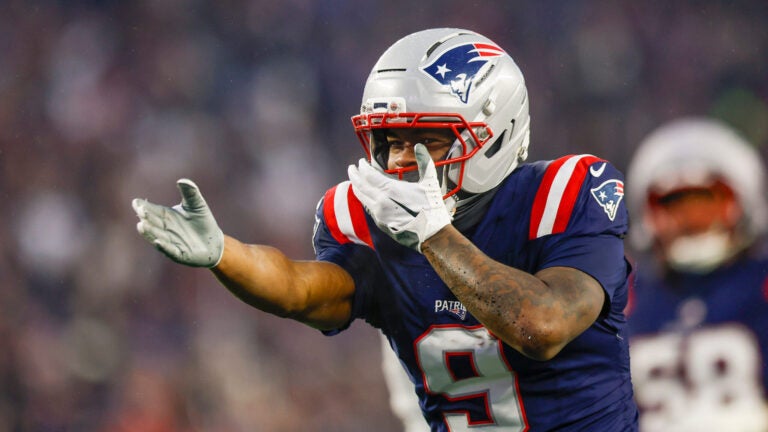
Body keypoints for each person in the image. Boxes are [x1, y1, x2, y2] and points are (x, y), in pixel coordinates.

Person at [132, 28, 638, 431]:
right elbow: (301, 290)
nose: (400, 160)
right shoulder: (366, 218)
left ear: (497, 133)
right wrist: (226, 254)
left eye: (426, 142)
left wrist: (435, 235)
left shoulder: (567, 193)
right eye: (388, 141)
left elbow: (542, 326)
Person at [624, 117, 768, 432]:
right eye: (675, 210)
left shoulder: (760, 284)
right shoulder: (627, 298)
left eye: (705, 206)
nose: (690, 223)